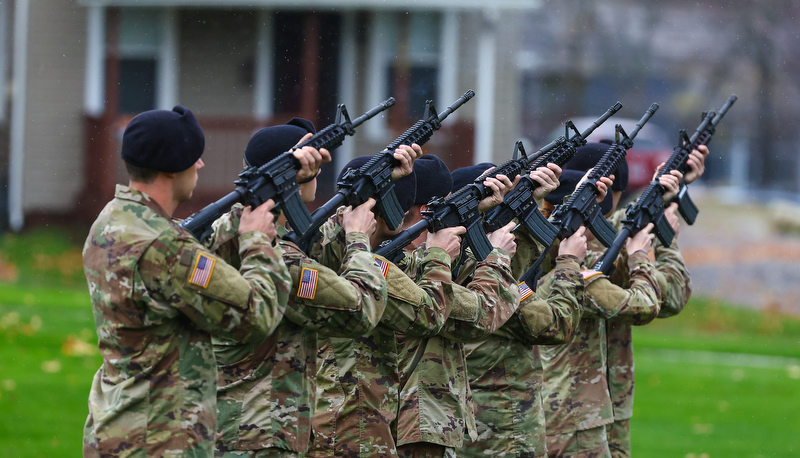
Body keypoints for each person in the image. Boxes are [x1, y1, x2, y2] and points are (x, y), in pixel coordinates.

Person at [82, 105, 293, 457]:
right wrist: (257, 241)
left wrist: (238, 219)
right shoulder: (165, 246)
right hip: (162, 438)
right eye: (195, 157)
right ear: (171, 170)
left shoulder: (113, 220)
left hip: (116, 427)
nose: (200, 165)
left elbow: (183, 263)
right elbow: (257, 315)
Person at [202, 119, 392, 457]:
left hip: (238, 427)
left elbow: (315, 245)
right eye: (308, 168)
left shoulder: (235, 234)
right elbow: (360, 309)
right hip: (259, 434)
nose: (316, 175)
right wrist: (359, 239)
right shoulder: (276, 257)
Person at [538, 142, 685, 458]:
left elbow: (619, 240)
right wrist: (653, 250)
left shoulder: (547, 251)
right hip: (574, 415)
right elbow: (652, 303)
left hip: (576, 410)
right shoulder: (576, 268)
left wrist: (659, 197)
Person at [457, 161, 599, 458]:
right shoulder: (489, 280)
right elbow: (557, 324)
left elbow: (528, 260)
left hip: (475, 425)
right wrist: (570, 262)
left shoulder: (453, 265)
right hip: (503, 430)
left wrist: (576, 200)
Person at [393, 161, 522, 457]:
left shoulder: (420, 261)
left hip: (423, 419)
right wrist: (497, 256)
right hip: (419, 421)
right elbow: (484, 312)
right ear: (429, 208)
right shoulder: (407, 267)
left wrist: (484, 212)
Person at [600, 146, 705, 457]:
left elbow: (618, 222)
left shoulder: (567, 241)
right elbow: (666, 297)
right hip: (581, 408)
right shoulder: (582, 252)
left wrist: (665, 190)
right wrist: (660, 245)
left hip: (597, 402)